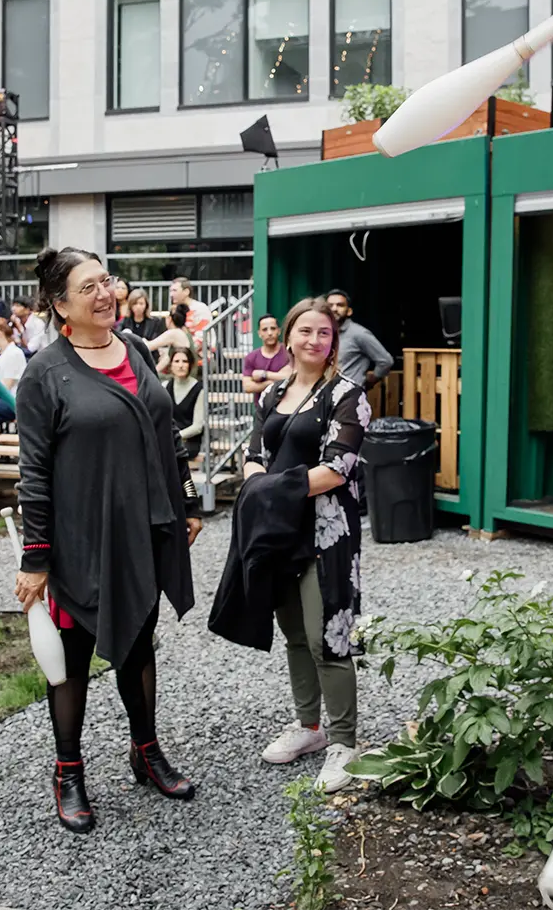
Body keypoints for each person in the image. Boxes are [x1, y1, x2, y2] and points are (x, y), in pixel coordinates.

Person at [14, 246, 201, 833]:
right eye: (88, 287)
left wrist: (187, 500)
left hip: (142, 528)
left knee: (139, 643)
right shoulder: (46, 372)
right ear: (59, 303)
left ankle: (145, 751)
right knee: (71, 661)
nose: (105, 293)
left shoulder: (137, 348)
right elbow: (33, 472)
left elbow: (167, 431)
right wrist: (36, 558)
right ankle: (68, 771)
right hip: (79, 539)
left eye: (107, 280)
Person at [224, 296, 370, 793]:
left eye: (324, 333)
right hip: (279, 530)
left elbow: (337, 468)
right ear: (288, 337)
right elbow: (254, 455)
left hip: (327, 532)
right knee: (293, 634)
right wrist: (262, 484)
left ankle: (344, 743)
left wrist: (270, 488)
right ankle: (309, 726)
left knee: (328, 634)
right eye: (305, 330)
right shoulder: (273, 393)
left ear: (334, 341)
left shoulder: (348, 395)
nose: (314, 340)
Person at [325, 290, 393, 388]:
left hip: (350, 393)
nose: (334, 309)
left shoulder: (359, 333)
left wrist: (370, 381)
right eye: (330, 306)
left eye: (340, 305)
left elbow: (385, 361)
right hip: (326, 392)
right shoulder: (322, 333)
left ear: (349, 311)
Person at [164, 348, 204, 459]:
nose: (180, 365)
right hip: (169, 439)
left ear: (190, 364)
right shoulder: (165, 386)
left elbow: (197, 427)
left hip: (188, 442)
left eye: (185, 361)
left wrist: (176, 437)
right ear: (171, 365)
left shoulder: (199, 389)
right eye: (177, 361)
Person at [242, 314, 291, 397]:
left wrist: (264, 374)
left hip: (288, 402)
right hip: (262, 404)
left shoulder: (289, 352)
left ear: (279, 331)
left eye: (273, 328)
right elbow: (247, 387)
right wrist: (273, 382)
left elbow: (292, 377)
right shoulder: (251, 357)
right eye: (264, 329)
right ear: (259, 333)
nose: (269, 333)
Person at [147, 305, 197, 374]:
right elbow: (167, 358)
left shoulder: (174, 333)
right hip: (187, 372)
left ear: (169, 319)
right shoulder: (185, 331)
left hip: (183, 374)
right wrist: (154, 372)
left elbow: (148, 346)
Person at [169, 277, 211, 347]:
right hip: (181, 347)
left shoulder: (200, 308)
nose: (171, 295)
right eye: (170, 291)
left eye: (174, 290)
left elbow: (201, 336)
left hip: (199, 347)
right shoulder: (175, 309)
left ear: (186, 292)